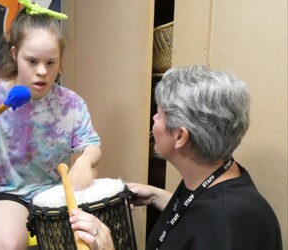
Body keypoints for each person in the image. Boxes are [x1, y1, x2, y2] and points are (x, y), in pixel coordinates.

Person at [69, 65, 282, 250]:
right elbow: (198, 218)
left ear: (180, 136)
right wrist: (156, 196)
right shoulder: (215, 174)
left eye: (159, 114)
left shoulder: (228, 228)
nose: (154, 117)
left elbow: (210, 228)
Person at [0, 3, 101, 250]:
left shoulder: (70, 103)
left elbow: (92, 145)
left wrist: (86, 162)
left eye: (51, 63)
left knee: (90, 238)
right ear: (14, 54)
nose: (42, 72)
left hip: (52, 193)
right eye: (32, 61)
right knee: (12, 243)